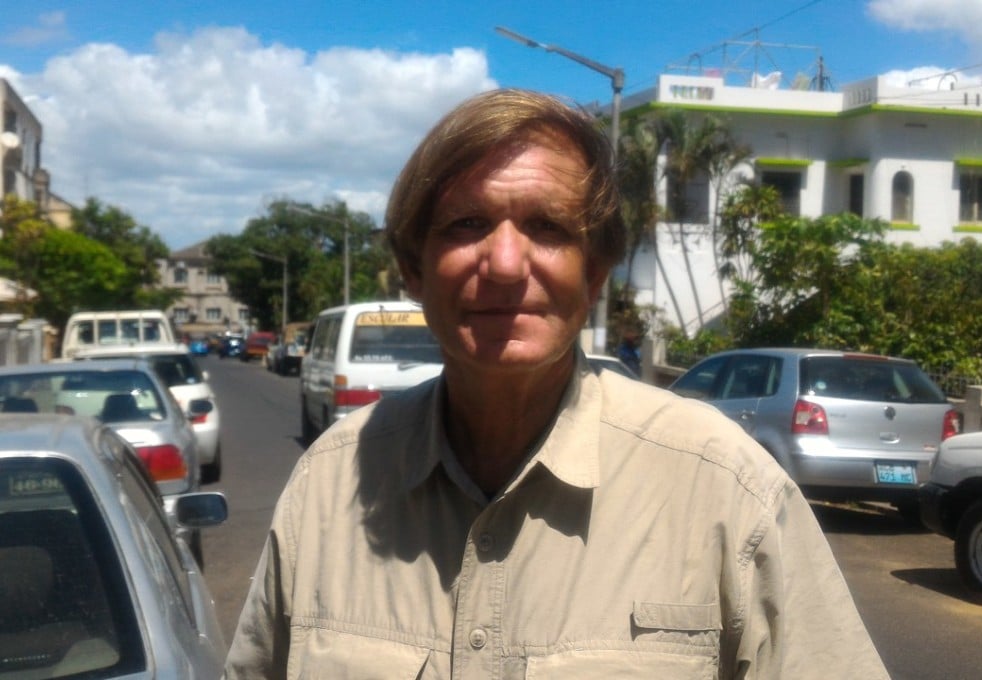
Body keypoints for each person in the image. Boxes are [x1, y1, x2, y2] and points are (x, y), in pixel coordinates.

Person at [224, 89, 890, 679]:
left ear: (595, 272)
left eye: (546, 227)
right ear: (414, 270)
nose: (507, 264)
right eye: (467, 224)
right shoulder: (330, 484)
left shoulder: (724, 490)